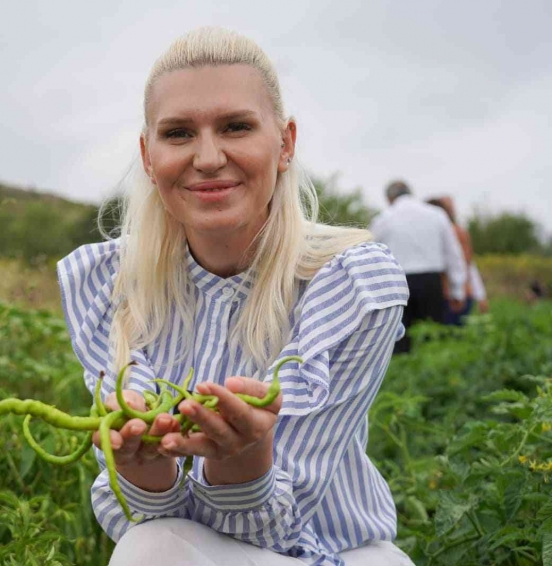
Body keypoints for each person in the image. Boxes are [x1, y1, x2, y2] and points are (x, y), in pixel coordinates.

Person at [56, 28, 413, 566]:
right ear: (148, 157)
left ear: (285, 143)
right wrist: (141, 465)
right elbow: (149, 522)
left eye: (236, 127)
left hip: (345, 554)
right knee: (148, 546)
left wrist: (244, 465)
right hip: (182, 551)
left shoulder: (350, 282)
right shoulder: (108, 282)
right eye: (177, 133)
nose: (206, 157)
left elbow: (285, 522)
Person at [369, 182, 466, 352]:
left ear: (389, 198)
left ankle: (404, 374)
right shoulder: (436, 215)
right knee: (432, 339)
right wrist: (457, 289)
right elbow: (453, 253)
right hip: (431, 283)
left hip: (396, 284)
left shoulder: (384, 218)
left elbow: (370, 254)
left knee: (400, 340)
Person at [426, 197, 488, 322]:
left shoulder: (455, 232)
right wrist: (480, 294)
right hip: (457, 294)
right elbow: (469, 266)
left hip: (453, 296)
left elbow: (466, 265)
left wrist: (460, 293)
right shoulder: (454, 231)